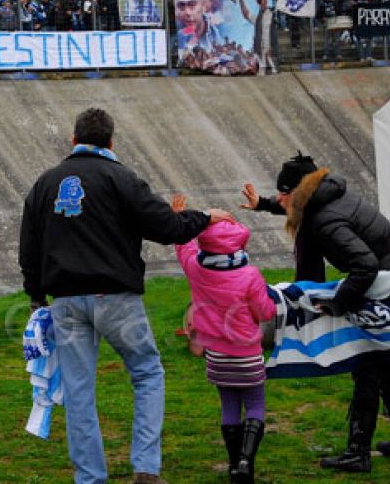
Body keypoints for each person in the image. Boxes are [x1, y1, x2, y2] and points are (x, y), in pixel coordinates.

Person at [19, 108, 233, 484]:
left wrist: (38, 300)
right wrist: (206, 216)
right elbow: (167, 226)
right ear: (111, 142)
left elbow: (29, 250)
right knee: (147, 373)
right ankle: (146, 471)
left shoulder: (44, 184)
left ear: (73, 140)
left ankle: (90, 477)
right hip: (116, 298)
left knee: (79, 391)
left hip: (66, 303)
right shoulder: (121, 178)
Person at [241, 152, 390, 473]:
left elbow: (363, 266)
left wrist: (339, 302)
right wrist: (266, 204)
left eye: (283, 193)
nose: (279, 199)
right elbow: (296, 208)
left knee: (367, 364)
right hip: (383, 280)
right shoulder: (328, 195)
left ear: (299, 191)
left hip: (382, 286)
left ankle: (358, 452)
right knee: (385, 363)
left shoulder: (324, 221)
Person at [173, 209, 275, 484]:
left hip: (216, 356)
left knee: (229, 406)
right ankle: (245, 462)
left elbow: (184, 248)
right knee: (255, 405)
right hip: (248, 355)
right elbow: (265, 312)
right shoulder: (250, 275)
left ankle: (232, 464)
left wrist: (183, 218)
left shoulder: (195, 268)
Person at [237, 0, 279, 75]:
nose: (265, 2)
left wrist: (272, 46)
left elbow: (274, 31)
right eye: (263, 0)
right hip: (260, 47)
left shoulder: (270, 13)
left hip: (270, 47)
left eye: (266, 0)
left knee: (273, 69)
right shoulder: (258, 18)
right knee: (262, 69)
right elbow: (245, 13)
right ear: (260, 3)